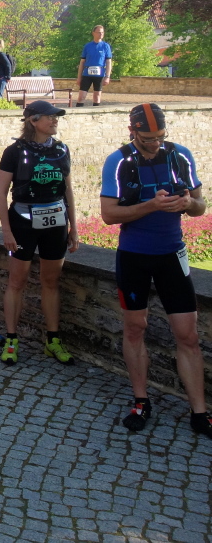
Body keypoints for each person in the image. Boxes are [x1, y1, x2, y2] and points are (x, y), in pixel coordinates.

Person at [99, 103, 210, 439]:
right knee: (135, 328)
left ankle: (199, 412)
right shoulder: (118, 161)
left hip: (172, 255)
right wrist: (151, 205)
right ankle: (141, 400)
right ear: (132, 131)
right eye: (148, 138)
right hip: (134, 256)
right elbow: (108, 215)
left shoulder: (180, 155)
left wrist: (187, 204)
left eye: (160, 137)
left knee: (188, 335)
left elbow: (200, 206)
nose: (156, 143)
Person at [0, 100, 78, 365]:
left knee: (51, 281)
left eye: (57, 117)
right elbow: (1, 193)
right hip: (22, 222)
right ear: (33, 120)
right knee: (17, 281)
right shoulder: (14, 151)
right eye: (49, 117)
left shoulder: (61, 149)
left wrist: (74, 227)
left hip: (56, 223)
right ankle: (11, 339)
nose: (55, 121)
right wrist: (6, 231)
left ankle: (53, 340)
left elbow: (67, 190)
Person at [76, 25, 113, 107]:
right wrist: (79, 77)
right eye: (99, 32)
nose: (101, 34)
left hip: (99, 75)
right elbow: (82, 62)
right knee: (81, 96)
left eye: (102, 32)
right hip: (87, 74)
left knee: (97, 96)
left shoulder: (105, 46)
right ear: (93, 33)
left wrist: (107, 76)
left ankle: (96, 112)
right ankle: (78, 111)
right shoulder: (87, 46)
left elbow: (108, 62)